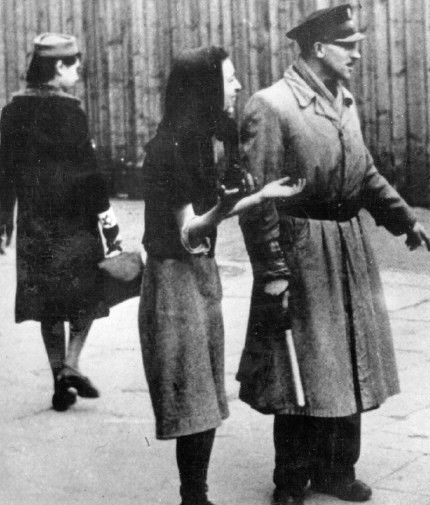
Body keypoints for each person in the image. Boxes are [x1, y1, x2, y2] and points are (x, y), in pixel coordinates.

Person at [235, 4, 430, 505]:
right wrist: (273, 273)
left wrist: (403, 220)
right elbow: (257, 203)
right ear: (319, 48)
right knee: (302, 364)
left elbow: (364, 174)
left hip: (349, 246)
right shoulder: (271, 104)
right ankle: (291, 478)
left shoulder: (345, 100)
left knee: (350, 358)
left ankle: (337, 470)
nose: (358, 55)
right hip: (302, 252)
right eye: (350, 46)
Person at [138, 46, 304, 505]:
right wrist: (232, 204)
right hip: (174, 281)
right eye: (228, 79)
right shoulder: (168, 148)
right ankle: (194, 498)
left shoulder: (194, 143)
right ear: (204, 88)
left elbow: (205, 221)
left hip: (198, 273)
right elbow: (189, 227)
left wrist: (262, 194)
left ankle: (196, 495)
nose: (235, 87)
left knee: (205, 396)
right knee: (193, 396)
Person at [0, 33, 121, 412]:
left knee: (49, 303)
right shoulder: (71, 111)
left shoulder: (12, 110)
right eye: (74, 66)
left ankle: (59, 378)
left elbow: (4, 171)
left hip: (36, 219)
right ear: (57, 68)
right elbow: (89, 172)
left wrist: (5, 216)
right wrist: (108, 223)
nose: (78, 72)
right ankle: (71, 363)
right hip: (76, 219)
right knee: (87, 293)